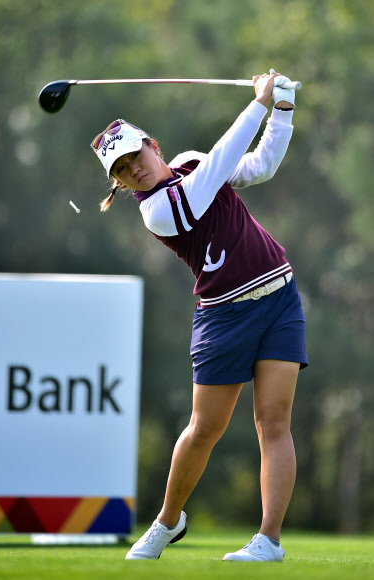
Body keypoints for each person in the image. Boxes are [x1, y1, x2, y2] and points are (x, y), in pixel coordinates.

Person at [91, 70, 308, 562]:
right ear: (120, 184)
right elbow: (217, 170)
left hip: (278, 296)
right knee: (203, 429)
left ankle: (268, 541)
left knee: (273, 422)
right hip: (223, 317)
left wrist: (282, 111)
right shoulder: (157, 210)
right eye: (121, 171)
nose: (134, 170)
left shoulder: (190, 161)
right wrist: (258, 103)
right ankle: (168, 521)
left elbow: (259, 166)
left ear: (153, 145)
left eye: (135, 157)